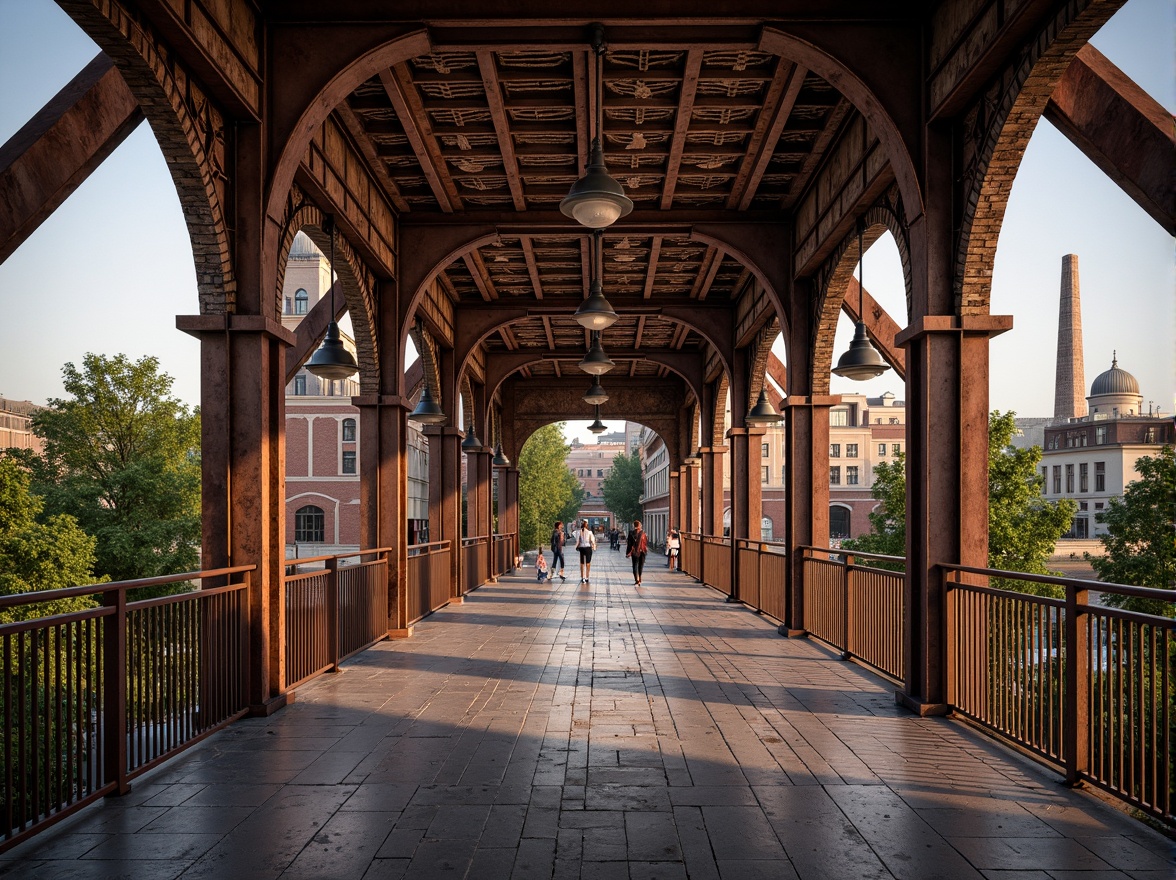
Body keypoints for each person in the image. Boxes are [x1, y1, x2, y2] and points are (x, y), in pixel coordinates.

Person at [625, 519, 648, 585]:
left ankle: (637, 579)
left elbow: (629, 544)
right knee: (639, 565)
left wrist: (628, 552)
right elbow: (645, 542)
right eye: (640, 525)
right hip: (640, 551)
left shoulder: (632, 533)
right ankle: (639, 578)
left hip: (636, 551)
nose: (641, 526)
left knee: (636, 565)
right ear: (639, 526)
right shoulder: (642, 533)